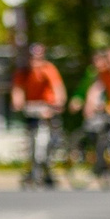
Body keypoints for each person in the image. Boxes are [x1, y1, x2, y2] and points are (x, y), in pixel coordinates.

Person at [10, 45, 66, 186]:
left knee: (52, 140)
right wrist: (17, 102)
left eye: (38, 58)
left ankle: (48, 167)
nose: (35, 61)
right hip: (33, 108)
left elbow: (57, 88)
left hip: (48, 107)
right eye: (32, 58)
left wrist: (58, 103)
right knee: (31, 139)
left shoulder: (48, 69)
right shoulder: (23, 72)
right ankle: (32, 169)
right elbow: (17, 90)